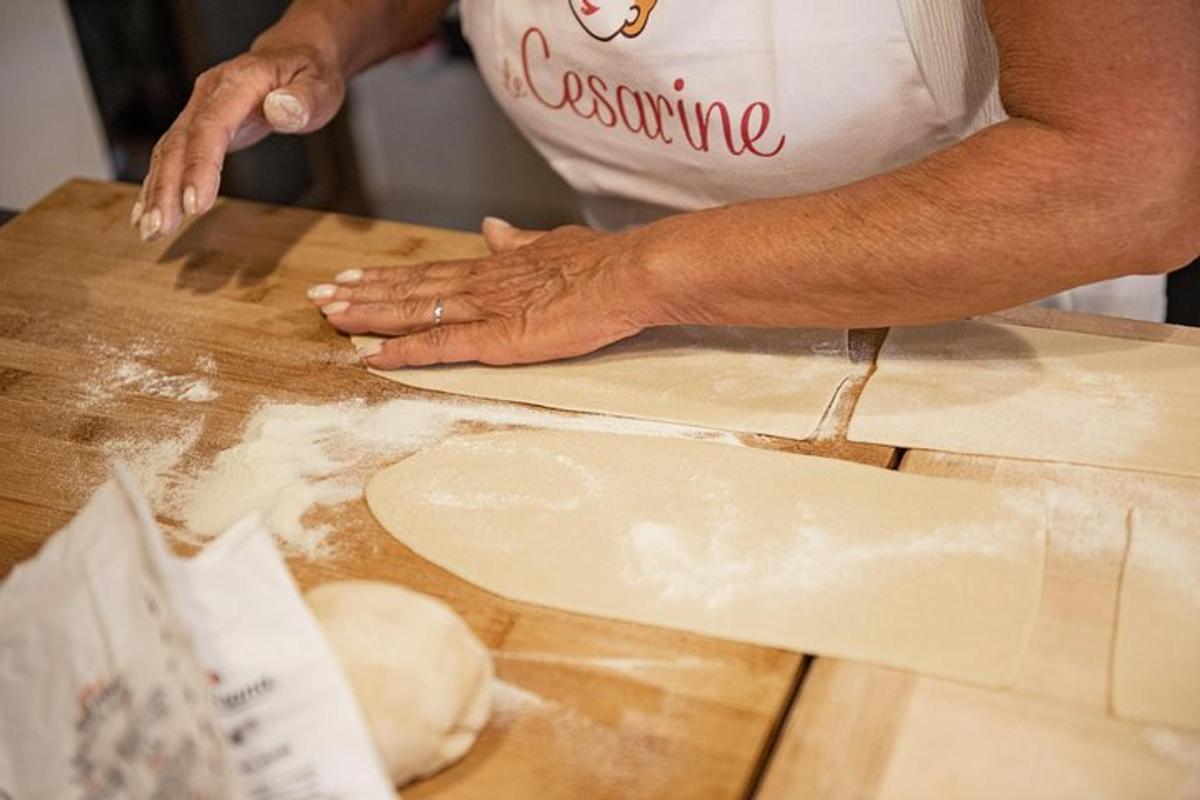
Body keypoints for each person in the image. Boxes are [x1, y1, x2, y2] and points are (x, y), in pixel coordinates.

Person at [132, 0, 1199, 367]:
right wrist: (316, 37)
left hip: (989, 352)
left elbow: (1136, 173)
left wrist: (637, 274)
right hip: (614, 326)